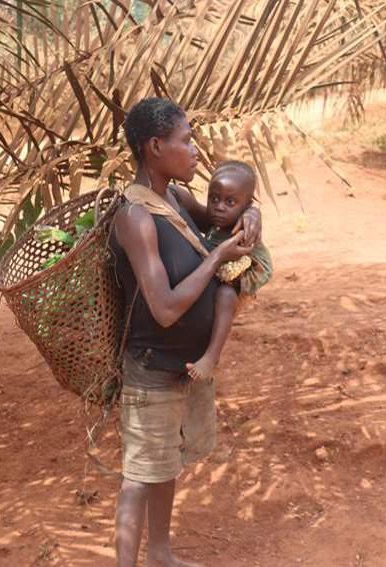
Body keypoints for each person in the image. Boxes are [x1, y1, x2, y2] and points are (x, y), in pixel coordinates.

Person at [109, 97, 262, 567]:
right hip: (151, 370)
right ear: (156, 146)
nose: (196, 150)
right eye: (186, 140)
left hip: (181, 368)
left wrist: (253, 215)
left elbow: (224, 219)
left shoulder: (173, 198)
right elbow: (166, 307)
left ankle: (159, 555)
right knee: (138, 476)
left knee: (165, 466)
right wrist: (217, 258)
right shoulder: (136, 216)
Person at [186, 160, 273, 382]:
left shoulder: (243, 230)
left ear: (246, 207)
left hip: (243, 275)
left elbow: (253, 264)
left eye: (230, 202)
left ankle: (211, 357)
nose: (219, 207)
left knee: (225, 296)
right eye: (214, 199)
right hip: (223, 271)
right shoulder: (216, 224)